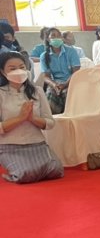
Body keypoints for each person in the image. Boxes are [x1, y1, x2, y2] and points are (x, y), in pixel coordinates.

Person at [0, 51, 63, 184]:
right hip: (10, 146)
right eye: (12, 69)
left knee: (56, 170)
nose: (18, 71)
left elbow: (50, 122)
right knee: (25, 174)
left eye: (22, 67)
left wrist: (32, 119)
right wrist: (20, 118)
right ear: (2, 72)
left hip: (36, 143)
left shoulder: (37, 91)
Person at [40, 27, 81, 114]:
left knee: (68, 95)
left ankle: (70, 119)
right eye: (53, 36)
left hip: (71, 81)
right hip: (56, 83)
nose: (57, 38)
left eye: (59, 35)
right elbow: (46, 76)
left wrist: (65, 84)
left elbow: (76, 72)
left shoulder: (71, 51)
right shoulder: (44, 56)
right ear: (48, 39)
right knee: (50, 96)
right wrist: (54, 85)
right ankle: (56, 122)